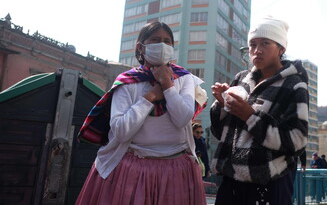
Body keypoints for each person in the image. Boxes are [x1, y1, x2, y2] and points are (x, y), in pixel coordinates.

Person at [75, 21, 207, 205]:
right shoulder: (127, 81)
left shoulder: (184, 79)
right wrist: (150, 97)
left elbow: (183, 118)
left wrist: (167, 85)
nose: (163, 45)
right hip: (130, 170)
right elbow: (121, 131)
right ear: (140, 47)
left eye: (168, 41)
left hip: (176, 170)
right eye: (156, 40)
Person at [210, 16, 309, 205]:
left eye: (265, 43)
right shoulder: (241, 79)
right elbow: (219, 132)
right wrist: (222, 106)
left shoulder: (294, 85)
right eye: (252, 44)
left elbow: (297, 141)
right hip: (230, 182)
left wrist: (250, 116)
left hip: (269, 186)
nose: (257, 50)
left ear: (281, 49)